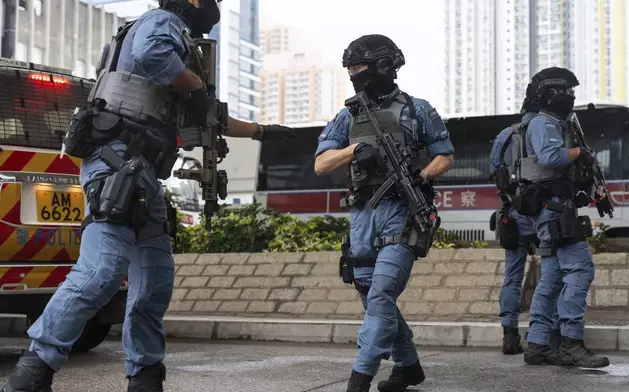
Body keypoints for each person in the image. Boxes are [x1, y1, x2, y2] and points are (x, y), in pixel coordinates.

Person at [2, 0, 293, 391]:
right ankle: (32, 373)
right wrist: (197, 85)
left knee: (154, 283)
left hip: (143, 176)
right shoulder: (161, 22)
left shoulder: (176, 55)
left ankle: (145, 376)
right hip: (117, 163)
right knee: (101, 272)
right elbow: (152, 53)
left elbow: (208, 117)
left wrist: (263, 131)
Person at [314, 34, 454, 392]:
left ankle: (359, 379)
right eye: (350, 69)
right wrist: (354, 150)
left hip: (402, 213)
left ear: (383, 66)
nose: (354, 75)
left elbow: (445, 155)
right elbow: (321, 163)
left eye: (359, 68)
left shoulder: (417, 108)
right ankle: (408, 367)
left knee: (380, 295)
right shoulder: (348, 116)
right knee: (370, 295)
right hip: (362, 215)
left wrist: (420, 177)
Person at [513, 67, 609, 368]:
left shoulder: (554, 122)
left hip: (551, 208)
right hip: (554, 210)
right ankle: (571, 343)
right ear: (552, 95)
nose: (573, 97)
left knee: (552, 278)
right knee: (580, 269)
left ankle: (539, 344)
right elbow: (551, 158)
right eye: (568, 92)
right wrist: (580, 152)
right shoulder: (544, 123)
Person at [489, 85, 562, 358]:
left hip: (513, 214)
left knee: (512, 276)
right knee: (551, 271)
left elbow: (494, 170)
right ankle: (546, 334)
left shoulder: (504, 136)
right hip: (542, 211)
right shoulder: (546, 130)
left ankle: (510, 334)